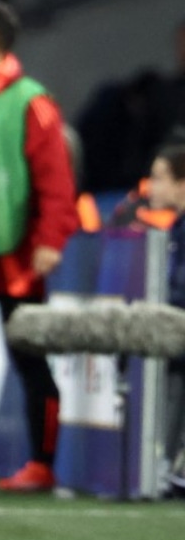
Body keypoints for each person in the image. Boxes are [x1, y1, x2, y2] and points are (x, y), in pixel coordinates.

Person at [0, 0, 78, 491]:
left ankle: (41, 464)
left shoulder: (33, 102)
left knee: (31, 363)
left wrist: (50, 241)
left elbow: (57, 183)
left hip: (16, 259)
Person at [145, 144, 185, 497]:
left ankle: (164, 466)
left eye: (159, 179)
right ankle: (165, 465)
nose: (150, 187)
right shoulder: (177, 226)